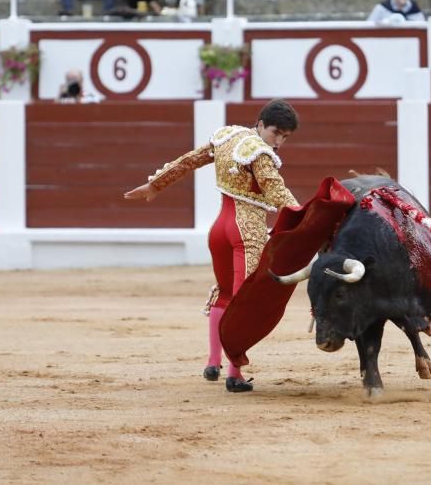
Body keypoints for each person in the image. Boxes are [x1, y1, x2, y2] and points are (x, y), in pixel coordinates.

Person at [123, 99, 301, 393]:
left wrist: (156, 184)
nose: (278, 141)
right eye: (275, 133)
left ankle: (212, 361)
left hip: (219, 229)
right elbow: (277, 191)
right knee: (244, 302)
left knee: (225, 294)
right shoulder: (261, 153)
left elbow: (190, 159)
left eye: (285, 136)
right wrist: (305, 215)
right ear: (260, 124)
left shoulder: (227, 136)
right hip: (247, 231)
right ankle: (234, 373)